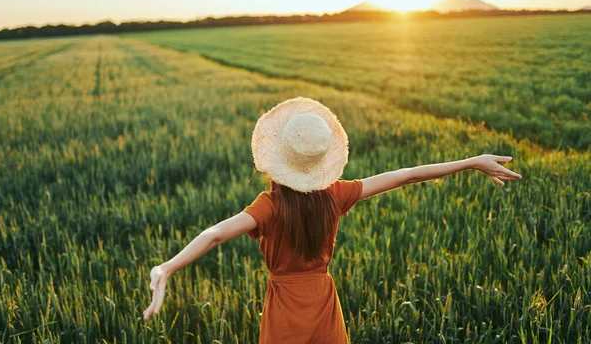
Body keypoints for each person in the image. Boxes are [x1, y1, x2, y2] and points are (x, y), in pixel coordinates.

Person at [142, 97, 522, 343]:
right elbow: (406, 173)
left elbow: (214, 234)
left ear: (278, 158)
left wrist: (168, 267)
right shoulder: (336, 195)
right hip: (324, 303)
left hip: (284, 311)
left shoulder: (269, 206)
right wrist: (471, 161)